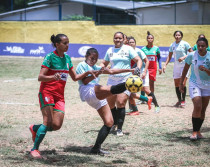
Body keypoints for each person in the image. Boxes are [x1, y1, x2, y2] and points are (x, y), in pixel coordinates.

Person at [29, 34, 97, 159]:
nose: (67, 45)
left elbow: (75, 78)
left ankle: (35, 128)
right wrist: (52, 77)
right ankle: (35, 149)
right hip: (47, 92)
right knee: (47, 121)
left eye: (68, 42)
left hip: (59, 96)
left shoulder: (67, 58)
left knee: (56, 125)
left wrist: (88, 72)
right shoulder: (50, 57)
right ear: (57, 44)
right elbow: (40, 77)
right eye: (65, 43)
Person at [76, 48, 136, 154]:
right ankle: (129, 84)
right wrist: (98, 73)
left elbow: (112, 71)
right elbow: (84, 81)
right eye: (91, 58)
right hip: (87, 90)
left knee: (109, 122)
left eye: (95, 59)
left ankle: (96, 148)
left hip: (95, 94)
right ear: (86, 56)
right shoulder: (82, 65)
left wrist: (130, 70)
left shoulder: (95, 66)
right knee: (111, 89)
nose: (93, 60)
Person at [100, 31, 142, 136]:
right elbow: (104, 63)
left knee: (121, 102)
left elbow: (138, 60)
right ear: (113, 39)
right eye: (116, 38)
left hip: (125, 80)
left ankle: (120, 128)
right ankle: (114, 123)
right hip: (112, 80)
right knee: (110, 103)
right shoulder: (110, 50)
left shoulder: (128, 49)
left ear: (123, 39)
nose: (117, 40)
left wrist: (138, 68)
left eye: (120, 38)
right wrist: (100, 67)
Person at [179, 37, 210, 140]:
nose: (200, 48)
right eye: (198, 46)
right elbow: (185, 69)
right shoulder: (192, 55)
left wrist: (206, 70)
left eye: (203, 46)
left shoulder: (209, 56)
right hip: (195, 84)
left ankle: (199, 131)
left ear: (207, 47)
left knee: (203, 109)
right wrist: (181, 83)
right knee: (197, 105)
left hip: (207, 86)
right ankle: (194, 132)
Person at [128, 36, 159, 115]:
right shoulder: (126, 51)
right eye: (130, 42)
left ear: (135, 44)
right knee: (129, 91)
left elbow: (147, 61)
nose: (131, 44)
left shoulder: (139, 51)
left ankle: (156, 105)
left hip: (142, 73)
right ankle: (134, 109)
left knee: (146, 90)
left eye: (133, 42)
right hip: (131, 74)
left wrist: (144, 72)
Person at [163, 30, 193, 107]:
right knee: (176, 83)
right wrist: (165, 65)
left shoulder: (185, 44)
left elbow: (192, 53)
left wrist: (184, 57)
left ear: (181, 36)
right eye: (176, 35)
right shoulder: (172, 45)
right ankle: (179, 100)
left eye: (179, 35)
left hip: (185, 65)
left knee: (182, 83)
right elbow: (169, 56)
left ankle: (183, 100)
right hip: (176, 65)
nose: (177, 36)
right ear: (174, 36)